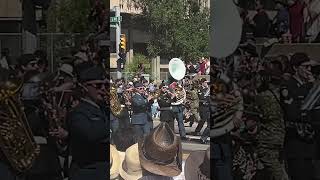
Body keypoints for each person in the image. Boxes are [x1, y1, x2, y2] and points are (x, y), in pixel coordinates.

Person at [67, 66, 108, 180]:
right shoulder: (78, 112)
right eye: (98, 86)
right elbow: (91, 135)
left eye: (106, 85)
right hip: (87, 172)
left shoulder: (105, 109)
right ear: (84, 88)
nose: (103, 89)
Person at [280, 53, 316, 180]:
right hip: (296, 141)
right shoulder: (288, 86)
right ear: (295, 68)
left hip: (311, 142)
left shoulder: (312, 86)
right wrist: (309, 87)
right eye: (305, 67)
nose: (309, 70)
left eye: (310, 67)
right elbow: (292, 112)